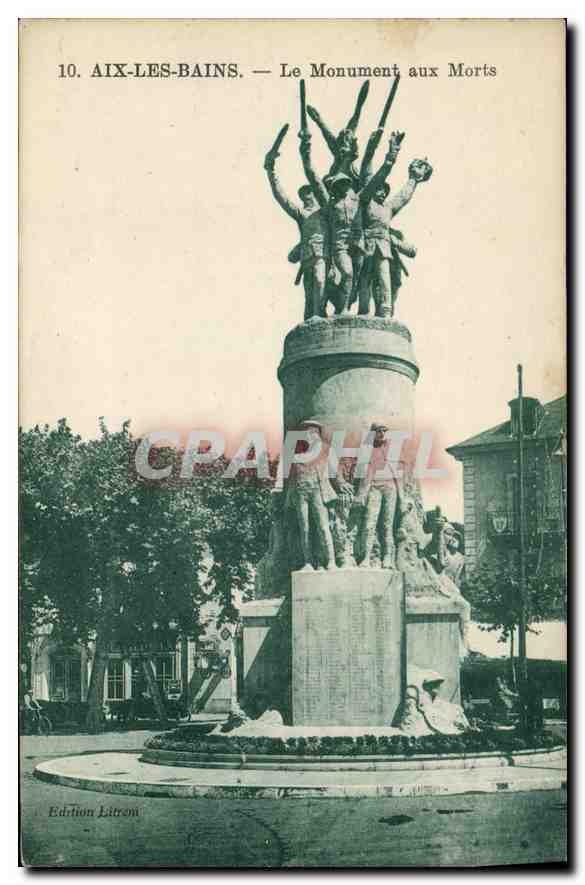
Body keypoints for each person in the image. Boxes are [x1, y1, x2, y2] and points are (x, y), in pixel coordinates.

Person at [357, 147, 432, 318]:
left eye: (385, 191)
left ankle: (385, 311)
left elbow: (403, 197)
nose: (382, 192)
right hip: (366, 246)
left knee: (385, 279)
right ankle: (363, 311)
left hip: (384, 248)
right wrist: (390, 157)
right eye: (379, 189)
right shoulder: (365, 203)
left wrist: (413, 179)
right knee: (364, 279)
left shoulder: (388, 208)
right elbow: (371, 179)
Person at [264, 131, 329, 320]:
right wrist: (271, 173)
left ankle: (319, 313)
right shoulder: (301, 213)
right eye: (303, 194)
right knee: (309, 290)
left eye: (309, 193)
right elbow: (281, 197)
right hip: (306, 255)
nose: (306, 196)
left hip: (324, 253)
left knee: (320, 281)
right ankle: (312, 318)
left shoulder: (325, 210)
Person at [284, 421, 338, 570]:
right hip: (300, 494)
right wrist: (289, 500)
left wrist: (342, 484)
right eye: (306, 434)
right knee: (305, 528)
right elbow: (292, 481)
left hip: (317, 491)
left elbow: (335, 473)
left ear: (317, 434)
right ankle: (308, 561)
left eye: (311, 433)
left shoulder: (326, 450)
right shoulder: (298, 457)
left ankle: (330, 561)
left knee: (323, 526)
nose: (308, 436)